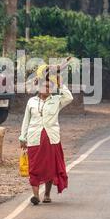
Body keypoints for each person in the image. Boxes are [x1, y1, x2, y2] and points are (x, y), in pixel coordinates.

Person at [19, 63, 73, 205]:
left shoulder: (56, 100)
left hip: (51, 138)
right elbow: (26, 120)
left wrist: (60, 81)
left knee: (49, 167)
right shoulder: (31, 102)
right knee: (34, 167)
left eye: (50, 87)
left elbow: (69, 97)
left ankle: (47, 194)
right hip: (34, 138)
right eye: (45, 86)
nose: (47, 89)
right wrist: (22, 137)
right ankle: (35, 195)